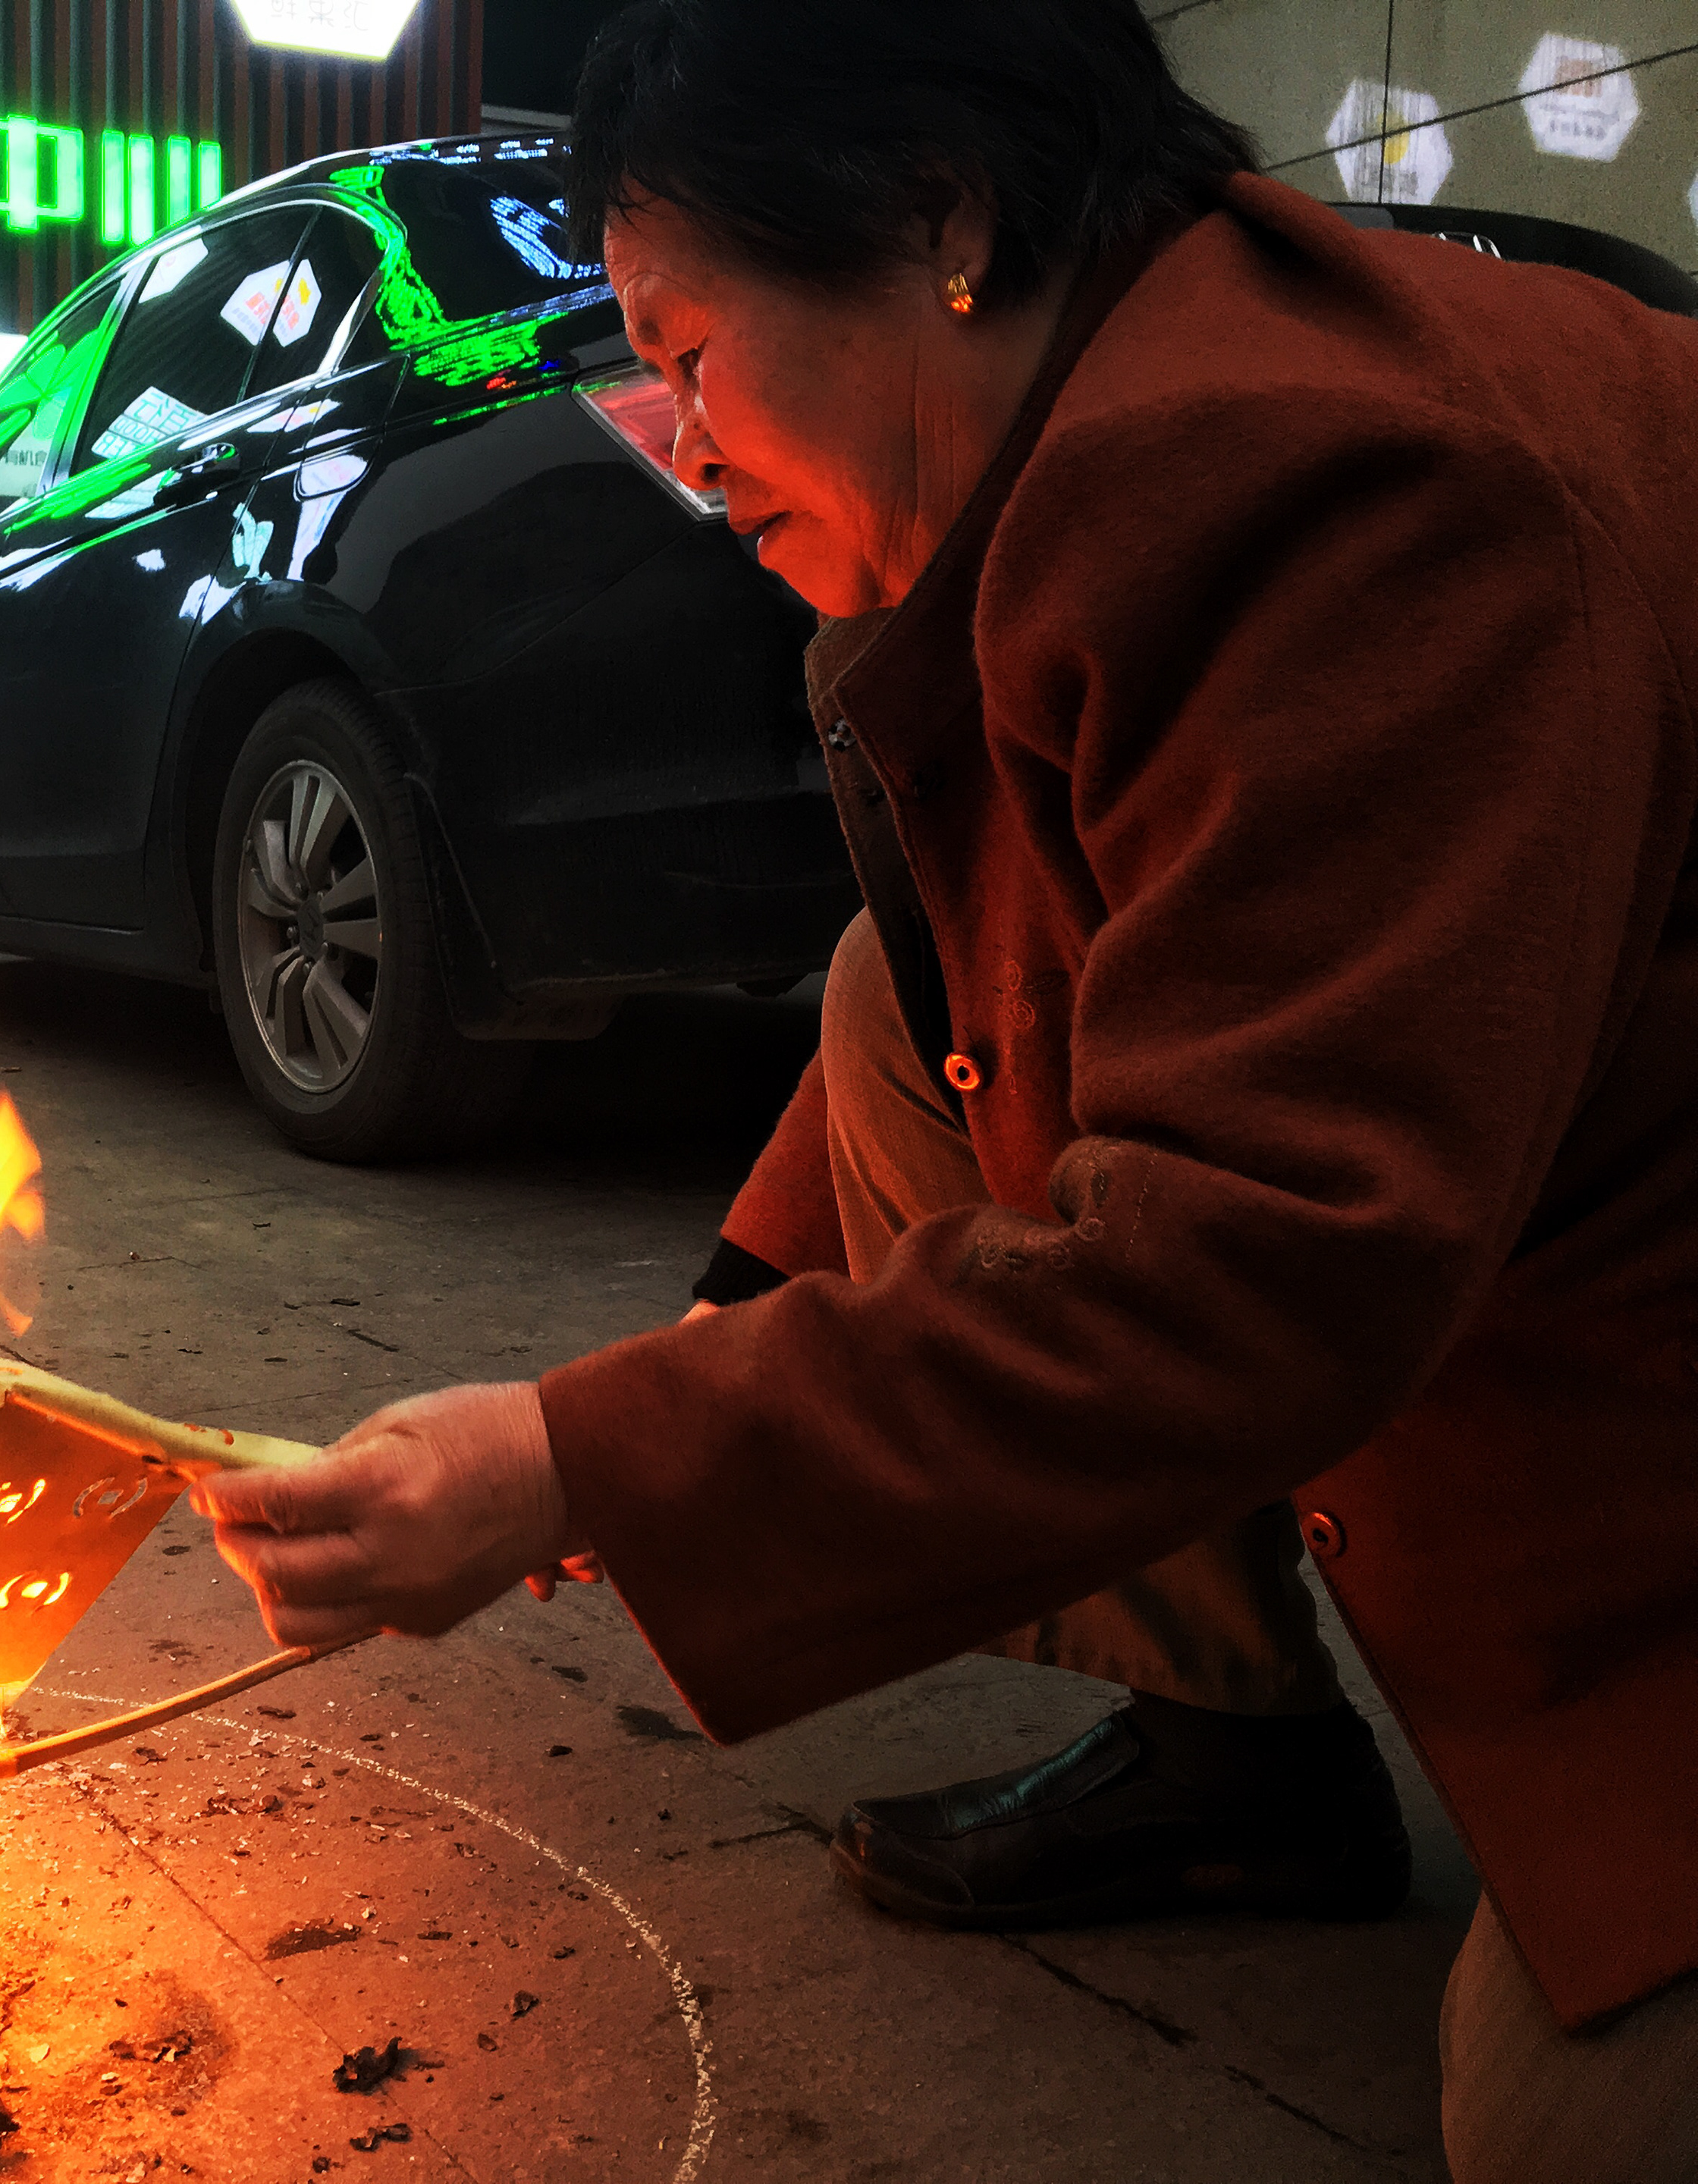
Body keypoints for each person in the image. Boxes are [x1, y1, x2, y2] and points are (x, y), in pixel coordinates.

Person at [190, 5, 1698, 2176]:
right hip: (1539, 1162)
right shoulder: (1115, 432)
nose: (679, 449)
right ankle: (1231, 1758)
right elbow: (988, 969)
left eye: (692, 355)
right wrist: (706, 1372)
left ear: (937, 218)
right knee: (898, 999)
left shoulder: (1359, 499)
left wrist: (581, 1465)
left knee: (1567, 2124)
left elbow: (1266, 1254)